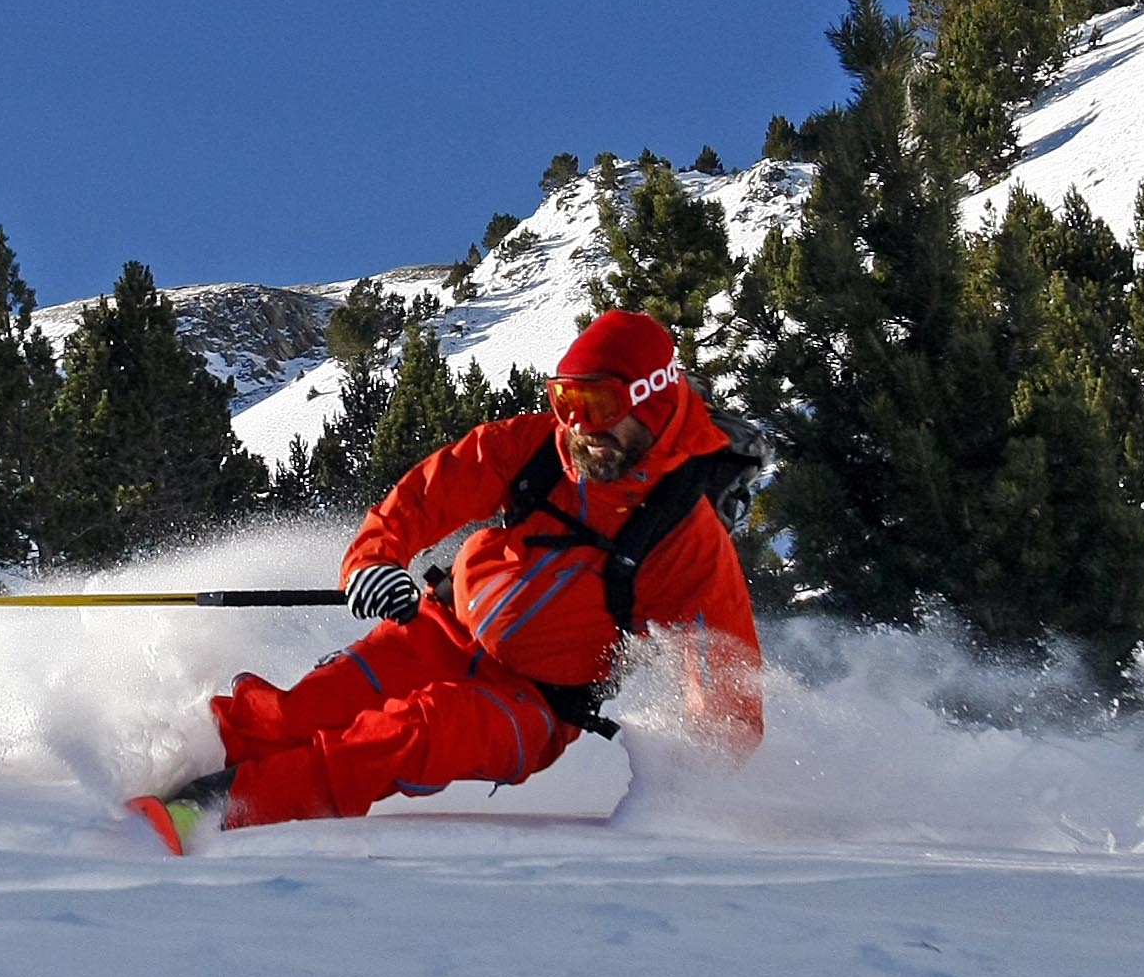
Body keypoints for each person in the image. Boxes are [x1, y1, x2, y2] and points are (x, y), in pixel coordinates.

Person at [129, 309, 764, 854]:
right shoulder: (540, 447)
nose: (576, 425)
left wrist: (684, 788)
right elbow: (426, 496)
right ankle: (157, 764)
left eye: (594, 404)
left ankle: (212, 811)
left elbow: (728, 697)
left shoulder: (688, 541)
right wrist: (375, 561)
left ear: (649, 399)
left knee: (410, 731)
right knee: (310, 706)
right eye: (563, 400)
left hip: (533, 706)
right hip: (444, 628)